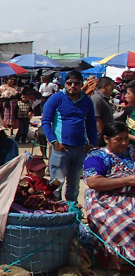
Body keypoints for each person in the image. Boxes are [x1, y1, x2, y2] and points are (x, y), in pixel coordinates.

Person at [83, 121, 135, 276]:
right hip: (105, 199)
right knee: (121, 221)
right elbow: (93, 182)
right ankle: (115, 262)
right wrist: (127, 181)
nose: (124, 143)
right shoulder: (97, 156)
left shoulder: (131, 152)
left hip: (131, 196)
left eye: (126, 138)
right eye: (119, 139)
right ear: (106, 139)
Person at [42, 70, 98, 201]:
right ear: (65, 84)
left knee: (74, 182)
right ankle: (54, 207)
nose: (73, 86)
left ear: (81, 84)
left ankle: (71, 208)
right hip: (61, 148)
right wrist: (54, 142)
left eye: (76, 83)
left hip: (80, 148)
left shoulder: (87, 101)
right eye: (69, 83)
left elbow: (91, 124)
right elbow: (45, 122)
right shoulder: (56, 98)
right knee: (56, 181)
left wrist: (92, 144)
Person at [92, 76, 115, 142]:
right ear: (104, 86)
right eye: (112, 86)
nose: (113, 88)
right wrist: (103, 135)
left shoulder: (103, 99)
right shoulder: (97, 99)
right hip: (99, 137)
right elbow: (96, 119)